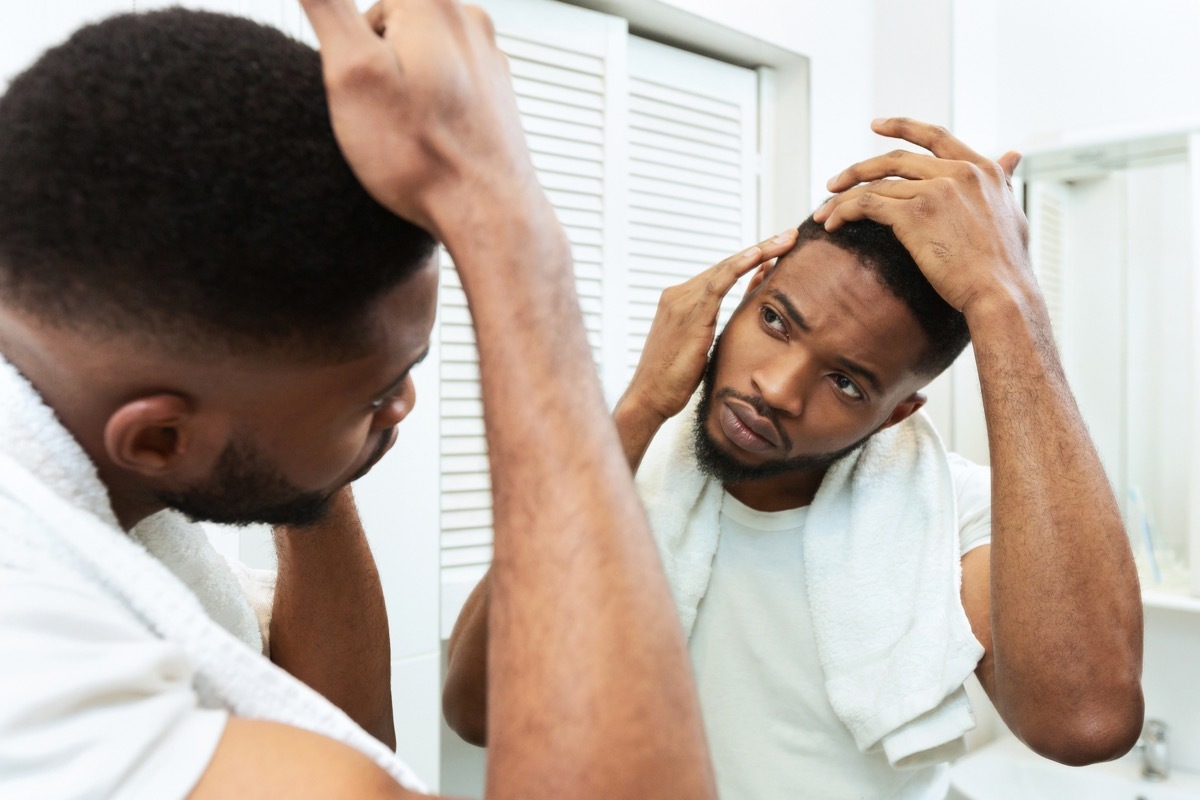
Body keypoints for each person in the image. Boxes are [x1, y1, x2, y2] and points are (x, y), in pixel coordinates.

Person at [0, 2, 718, 799]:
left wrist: (303, 453)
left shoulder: (88, 459)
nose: (403, 403)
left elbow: (340, 730)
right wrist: (505, 227)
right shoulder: (29, 658)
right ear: (161, 439)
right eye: (376, 393)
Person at [443, 119, 1146, 798]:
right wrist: (635, 411)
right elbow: (476, 710)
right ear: (746, 293)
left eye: (847, 382)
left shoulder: (954, 517)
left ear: (897, 412)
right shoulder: (624, 467)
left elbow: (1086, 722)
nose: (774, 390)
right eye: (776, 321)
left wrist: (1007, 298)